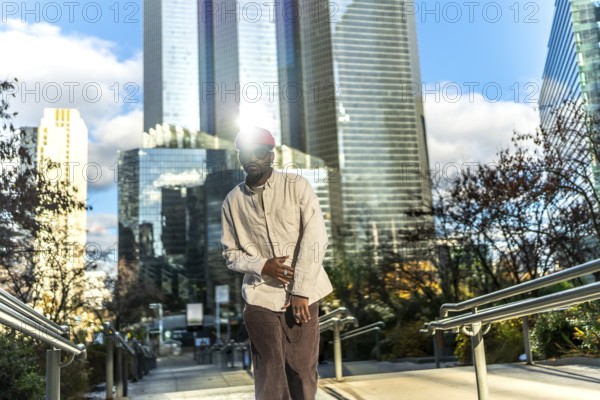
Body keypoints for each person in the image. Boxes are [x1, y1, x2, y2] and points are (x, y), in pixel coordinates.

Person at [221, 127, 333, 399]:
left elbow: (316, 238)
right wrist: (262, 266)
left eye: (259, 153)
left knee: (301, 371)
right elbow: (230, 253)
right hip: (260, 296)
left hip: (304, 296)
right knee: (269, 372)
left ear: (271, 156)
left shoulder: (297, 186)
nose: (252, 159)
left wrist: (300, 290)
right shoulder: (232, 201)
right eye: (246, 153)